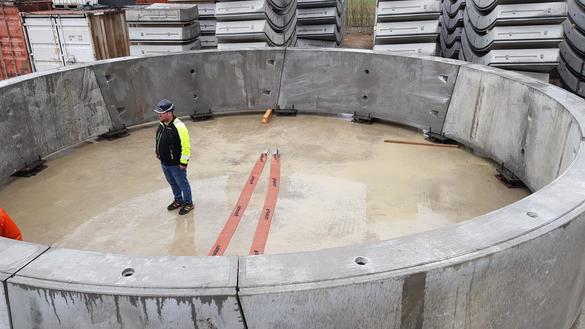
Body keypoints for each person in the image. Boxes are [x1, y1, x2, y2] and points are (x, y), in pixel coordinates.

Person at [154, 99, 194, 215]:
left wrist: (183, 162)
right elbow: (159, 139)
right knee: (172, 182)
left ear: (169, 113)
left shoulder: (179, 126)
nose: (159, 114)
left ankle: (188, 203)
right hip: (165, 162)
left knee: (183, 184)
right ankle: (178, 200)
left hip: (176, 164)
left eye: (161, 112)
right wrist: (158, 152)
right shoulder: (162, 124)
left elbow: (186, 146)